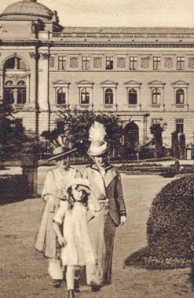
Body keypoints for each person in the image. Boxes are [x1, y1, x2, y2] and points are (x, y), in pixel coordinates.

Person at [83, 122, 127, 291]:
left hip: (111, 214)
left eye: (103, 155)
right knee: (94, 246)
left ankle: (104, 277)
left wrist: (122, 212)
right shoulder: (88, 172)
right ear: (93, 157)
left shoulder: (114, 171)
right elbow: (82, 194)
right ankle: (94, 279)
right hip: (93, 214)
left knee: (107, 247)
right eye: (97, 156)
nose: (100, 159)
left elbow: (118, 194)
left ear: (107, 154)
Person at [35, 146, 80, 289]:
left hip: (72, 211)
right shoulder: (51, 175)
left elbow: (82, 191)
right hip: (54, 211)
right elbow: (46, 193)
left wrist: (73, 199)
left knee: (72, 240)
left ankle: (72, 273)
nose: (63, 161)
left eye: (65, 157)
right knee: (54, 241)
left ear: (69, 158)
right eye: (59, 159)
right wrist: (53, 199)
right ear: (55, 162)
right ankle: (56, 275)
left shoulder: (76, 173)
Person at [52, 179, 96, 298]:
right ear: (71, 191)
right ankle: (70, 290)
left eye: (83, 192)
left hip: (82, 238)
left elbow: (94, 211)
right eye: (77, 191)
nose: (80, 194)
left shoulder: (84, 206)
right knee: (71, 263)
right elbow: (55, 222)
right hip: (69, 239)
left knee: (81, 264)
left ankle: (75, 279)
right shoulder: (66, 205)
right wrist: (60, 237)